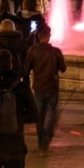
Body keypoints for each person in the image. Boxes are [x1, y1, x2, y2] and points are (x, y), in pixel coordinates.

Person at [24, 24, 67, 154]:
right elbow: (63, 68)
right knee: (51, 113)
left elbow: (26, 69)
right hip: (52, 86)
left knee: (40, 115)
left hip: (38, 87)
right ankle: (46, 138)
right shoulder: (55, 52)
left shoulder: (32, 51)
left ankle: (40, 139)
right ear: (49, 36)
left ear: (38, 36)